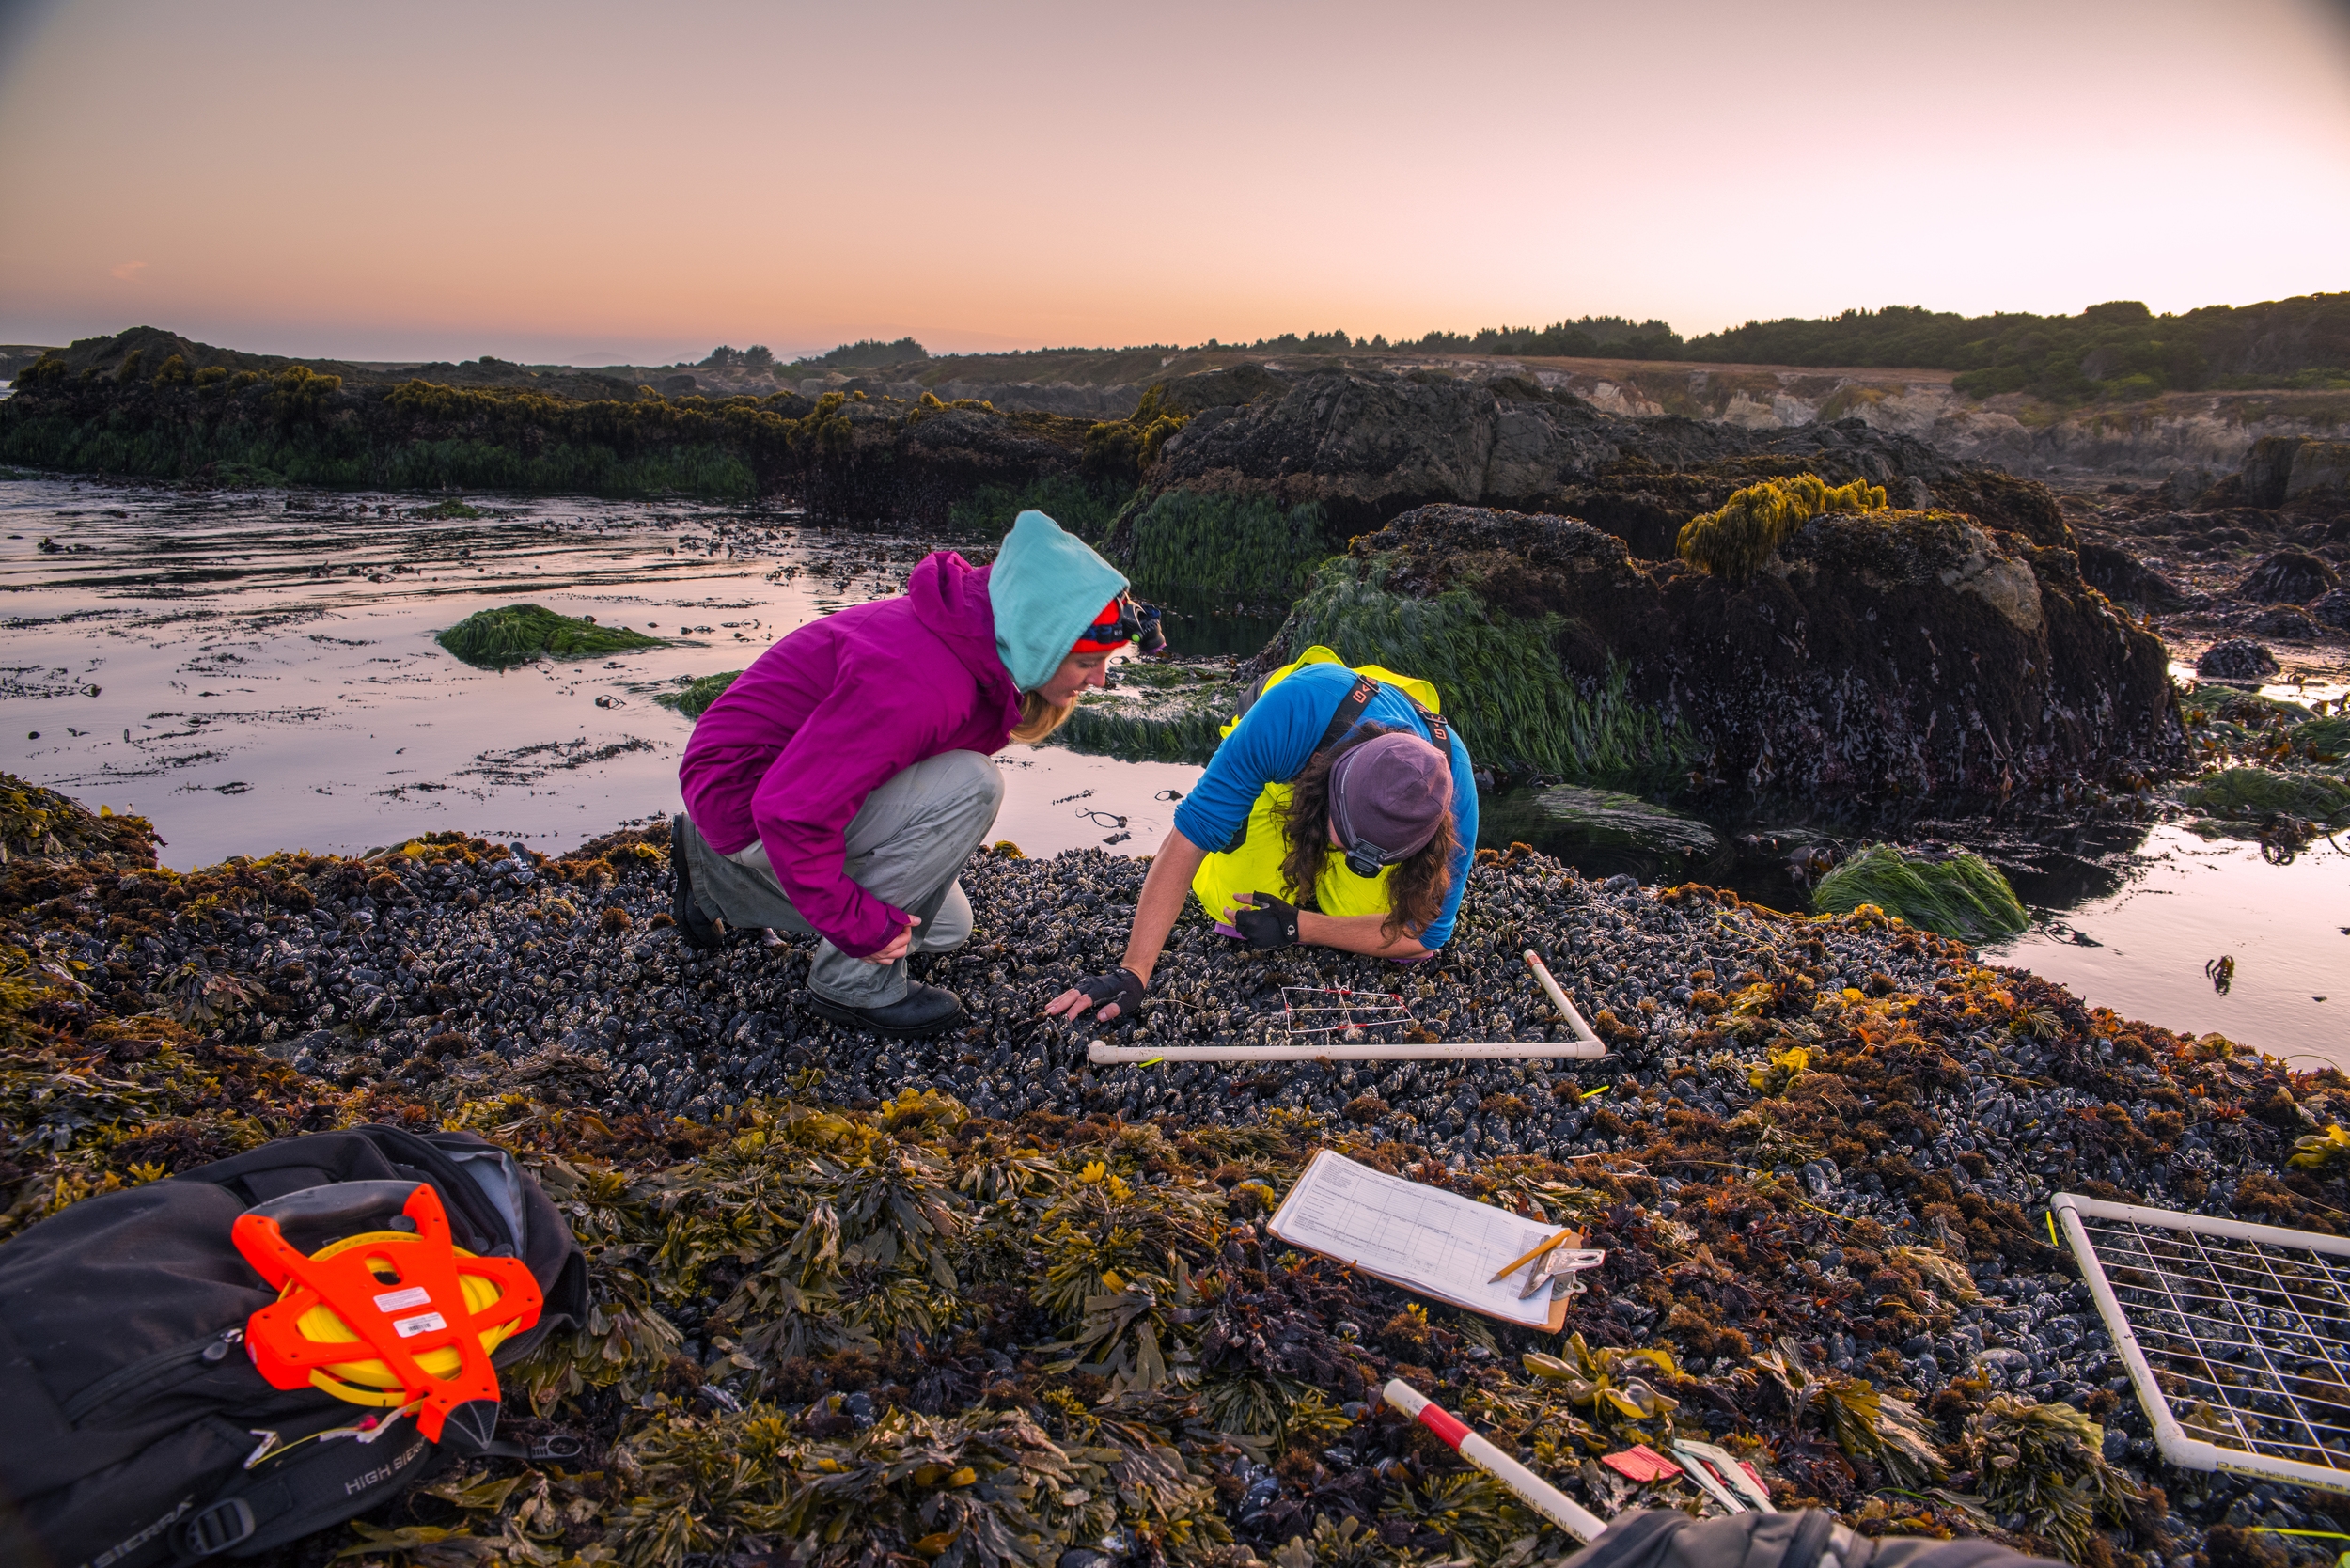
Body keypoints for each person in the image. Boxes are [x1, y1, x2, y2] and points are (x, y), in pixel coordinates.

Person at [673, 510, 1131, 1038]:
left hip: (775, 781)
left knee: (946, 929)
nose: (1099, 679)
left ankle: (713, 874)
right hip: (744, 791)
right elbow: (791, 810)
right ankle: (851, 985)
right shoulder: (924, 681)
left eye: (1107, 660)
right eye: (1085, 663)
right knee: (974, 785)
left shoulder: (978, 635)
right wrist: (859, 927)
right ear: (1039, 641)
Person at [1044, 645, 1478, 1024]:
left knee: (1385, 929)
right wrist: (1134, 969)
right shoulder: (1287, 719)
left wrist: (1299, 927)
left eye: (1370, 855)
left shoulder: (1455, 798)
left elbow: (1424, 936)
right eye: (1340, 837)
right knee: (1230, 899)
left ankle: (1337, 881)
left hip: (1399, 728)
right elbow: (1189, 836)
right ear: (1327, 791)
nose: (1339, 852)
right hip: (1310, 715)